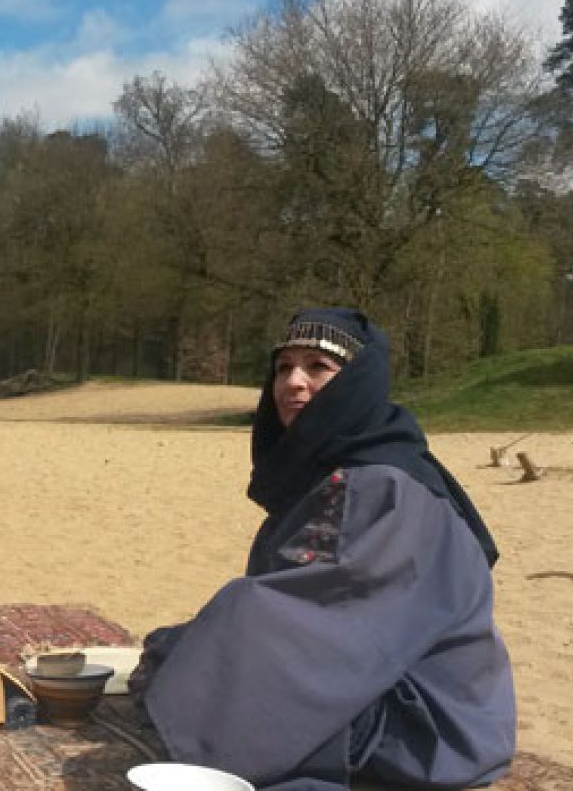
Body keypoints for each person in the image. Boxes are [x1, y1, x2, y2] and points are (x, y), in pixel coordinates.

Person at [130, 308, 514, 790]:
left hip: (429, 727)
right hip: (379, 671)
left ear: (356, 383)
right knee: (195, 654)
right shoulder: (343, 466)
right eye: (284, 367)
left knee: (217, 640)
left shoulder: (381, 483)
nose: (293, 383)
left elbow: (317, 618)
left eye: (317, 367)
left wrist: (192, 642)